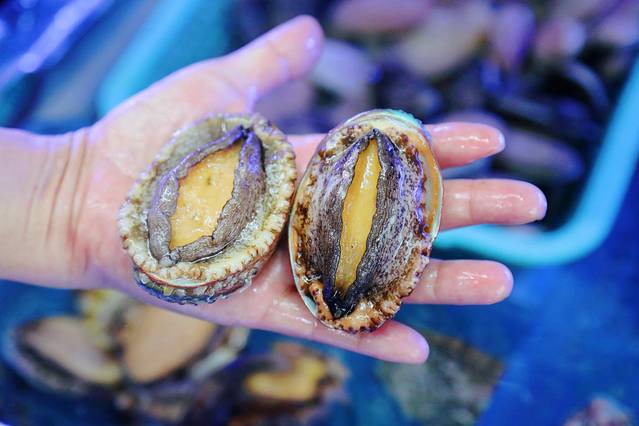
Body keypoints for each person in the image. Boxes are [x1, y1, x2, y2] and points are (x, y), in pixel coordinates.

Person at [0, 16, 546, 363]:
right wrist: (58, 195)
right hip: (224, 197)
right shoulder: (242, 147)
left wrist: (57, 192)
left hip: (312, 228)